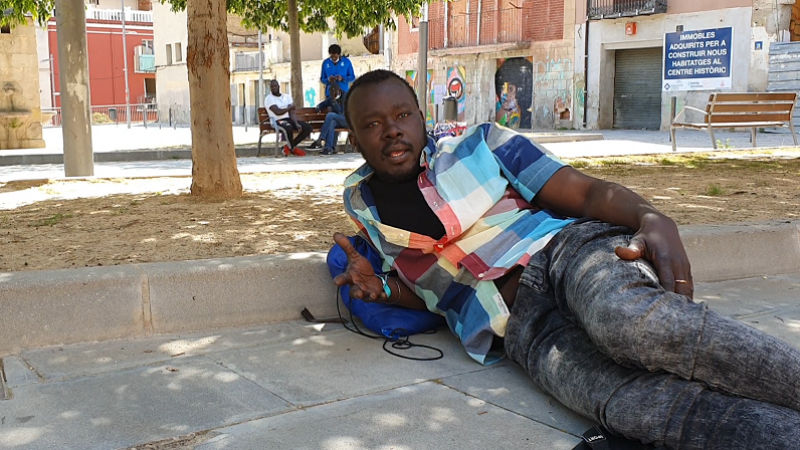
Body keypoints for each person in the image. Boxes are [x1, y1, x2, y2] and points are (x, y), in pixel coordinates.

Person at [331, 69, 800, 449]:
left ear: (421, 118)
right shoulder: (361, 204)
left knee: (636, 326)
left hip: (562, 256)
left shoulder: (481, 144)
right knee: (634, 407)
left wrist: (652, 217)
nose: (392, 129)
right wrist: (385, 289)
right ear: (354, 139)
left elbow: (585, 190)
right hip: (520, 330)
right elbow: (437, 291)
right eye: (373, 124)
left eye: (402, 114)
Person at [264, 79, 311, 157]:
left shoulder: (286, 97)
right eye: (272, 87)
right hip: (276, 121)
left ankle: (289, 147)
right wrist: (289, 108)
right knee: (288, 127)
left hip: (288, 119)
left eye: (275, 86)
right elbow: (277, 112)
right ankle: (292, 148)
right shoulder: (269, 98)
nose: (274, 88)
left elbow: (292, 112)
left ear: (278, 86)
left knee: (308, 128)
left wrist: (296, 123)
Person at [307, 83, 349, 156]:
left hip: (347, 121)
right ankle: (329, 148)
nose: (333, 95)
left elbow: (341, 112)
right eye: (331, 93)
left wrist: (334, 101)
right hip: (337, 121)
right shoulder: (331, 98)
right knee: (332, 123)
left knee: (330, 115)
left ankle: (320, 139)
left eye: (334, 93)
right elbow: (323, 104)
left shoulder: (346, 97)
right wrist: (318, 107)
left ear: (339, 90)